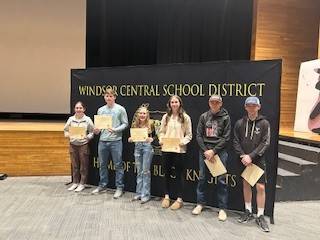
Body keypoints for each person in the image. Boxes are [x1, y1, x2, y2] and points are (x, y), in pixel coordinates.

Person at [233, 96, 270, 232]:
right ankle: (248, 210)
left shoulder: (264, 123)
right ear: (245, 107)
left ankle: (260, 215)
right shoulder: (239, 123)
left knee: (260, 187)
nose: (251, 108)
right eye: (249, 105)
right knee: (246, 184)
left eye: (254, 106)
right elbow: (236, 141)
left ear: (258, 107)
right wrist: (243, 155)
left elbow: (265, 142)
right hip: (243, 159)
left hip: (257, 160)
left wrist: (251, 156)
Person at [192, 95, 231, 221]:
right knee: (202, 178)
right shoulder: (204, 116)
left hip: (219, 152)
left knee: (221, 181)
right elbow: (198, 135)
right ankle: (200, 203)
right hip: (205, 151)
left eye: (217, 102)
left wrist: (214, 151)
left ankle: (222, 209)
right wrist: (206, 151)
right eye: (212, 102)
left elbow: (226, 137)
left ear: (221, 104)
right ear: (209, 103)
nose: (214, 104)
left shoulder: (226, 117)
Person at [92, 88, 128, 198]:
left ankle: (119, 187)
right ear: (104, 97)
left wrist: (115, 129)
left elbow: (125, 123)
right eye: (107, 96)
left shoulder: (120, 109)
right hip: (102, 141)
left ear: (114, 97)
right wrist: (96, 130)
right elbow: (98, 127)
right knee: (102, 165)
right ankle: (102, 185)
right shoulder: (100, 110)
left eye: (111, 96)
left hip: (116, 141)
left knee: (118, 165)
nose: (109, 98)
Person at [159, 95, 192, 210]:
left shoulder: (185, 117)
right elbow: (161, 132)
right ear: (169, 104)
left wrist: (182, 142)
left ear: (180, 103)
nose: (174, 104)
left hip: (179, 150)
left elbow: (189, 135)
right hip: (167, 149)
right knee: (166, 173)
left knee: (179, 175)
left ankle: (179, 199)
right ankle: (167, 196)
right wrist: (161, 140)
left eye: (176, 102)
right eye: (172, 102)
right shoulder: (166, 117)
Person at [64, 101, 94, 192]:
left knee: (83, 166)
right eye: (77, 108)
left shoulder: (88, 119)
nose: (78, 109)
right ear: (74, 109)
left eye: (80, 108)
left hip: (83, 145)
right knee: (75, 165)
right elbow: (65, 130)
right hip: (73, 145)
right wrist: (68, 135)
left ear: (84, 109)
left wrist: (88, 137)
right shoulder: (70, 119)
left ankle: (82, 183)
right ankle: (75, 183)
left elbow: (92, 132)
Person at [128, 104, 154, 204]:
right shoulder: (135, 124)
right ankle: (138, 193)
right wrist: (130, 139)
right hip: (137, 148)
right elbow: (132, 137)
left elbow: (156, 137)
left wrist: (152, 139)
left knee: (145, 172)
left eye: (144, 113)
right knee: (139, 171)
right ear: (138, 114)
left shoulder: (151, 124)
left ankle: (146, 194)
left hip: (147, 148)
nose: (142, 115)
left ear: (147, 115)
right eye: (141, 113)